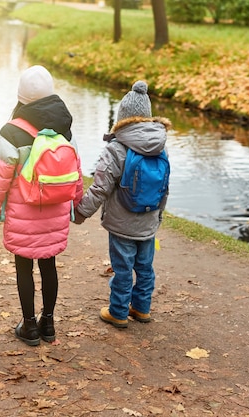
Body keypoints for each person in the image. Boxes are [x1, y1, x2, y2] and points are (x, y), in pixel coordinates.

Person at [0, 65, 84, 346]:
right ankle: (48, 323)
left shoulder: (12, 132)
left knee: (23, 267)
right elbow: (76, 170)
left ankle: (29, 326)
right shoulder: (65, 128)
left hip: (23, 213)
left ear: (21, 97)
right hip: (56, 212)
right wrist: (77, 204)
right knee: (48, 265)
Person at [73, 80, 171, 328]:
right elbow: (164, 187)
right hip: (148, 221)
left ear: (122, 117)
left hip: (121, 221)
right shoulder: (160, 146)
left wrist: (81, 212)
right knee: (145, 268)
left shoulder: (117, 147)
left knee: (123, 268)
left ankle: (117, 311)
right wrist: (158, 215)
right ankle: (141, 309)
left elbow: (101, 186)